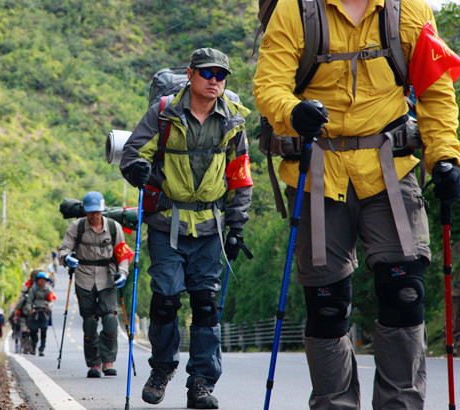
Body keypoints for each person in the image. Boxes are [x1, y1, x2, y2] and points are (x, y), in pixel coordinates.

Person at [253, 0, 460, 407]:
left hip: (391, 169)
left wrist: (446, 156)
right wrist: (293, 110)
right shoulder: (296, 11)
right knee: (327, 306)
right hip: (317, 174)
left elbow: (436, 90)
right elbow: (268, 84)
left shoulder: (410, 11)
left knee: (406, 292)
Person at [119, 47, 253, 409]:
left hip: (211, 227)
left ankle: (201, 384)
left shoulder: (232, 120)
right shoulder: (164, 113)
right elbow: (133, 152)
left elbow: (240, 176)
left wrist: (237, 226)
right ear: (191, 74)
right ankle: (162, 368)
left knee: (206, 305)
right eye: (207, 73)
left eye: (221, 75)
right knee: (164, 301)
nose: (214, 81)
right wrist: (135, 171)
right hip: (167, 224)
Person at [58, 190, 133, 378]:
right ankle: (94, 364)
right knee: (90, 322)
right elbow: (64, 248)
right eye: (91, 212)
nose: (94, 216)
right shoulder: (77, 227)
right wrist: (66, 258)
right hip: (84, 277)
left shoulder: (114, 227)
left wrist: (123, 273)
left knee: (109, 319)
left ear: (102, 210)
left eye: (97, 212)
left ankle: (108, 361)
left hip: (107, 277)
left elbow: (123, 255)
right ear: (85, 211)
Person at [24, 271, 56, 356]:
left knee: (44, 330)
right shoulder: (33, 289)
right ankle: (33, 346)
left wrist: (49, 306)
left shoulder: (48, 289)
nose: (42, 282)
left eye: (43, 280)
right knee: (33, 330)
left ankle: (41, 349)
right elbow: (29, 301)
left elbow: (51, 300)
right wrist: (30, 309)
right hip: (35, 312)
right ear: (37, 280)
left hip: (44, 313)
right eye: (40, 280)